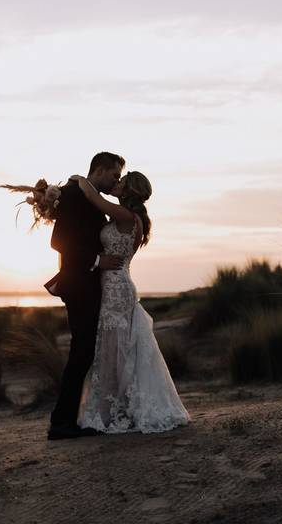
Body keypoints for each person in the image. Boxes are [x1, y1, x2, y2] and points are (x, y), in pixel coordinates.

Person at [70, 171, 190, 434]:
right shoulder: (124, 216)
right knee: (114, 346)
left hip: (116, 287)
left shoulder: (126, 217)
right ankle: (118, 405)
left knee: (115, 347)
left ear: (128, 191)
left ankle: (117, 410)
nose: (117, 183)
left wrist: (78, 179)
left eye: (121, 181)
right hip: (114, 283)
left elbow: (92, 197)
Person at [44, 152, 125, 440]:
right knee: (81, 352)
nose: (116, 180)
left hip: (88, 286)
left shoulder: (87, 197)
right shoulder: (72, 195)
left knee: (85, 351)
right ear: (100, 170)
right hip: (78, 285)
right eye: (114, 175)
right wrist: (97, 260)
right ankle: (61, 423)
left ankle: (67, 419)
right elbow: (58, 241)